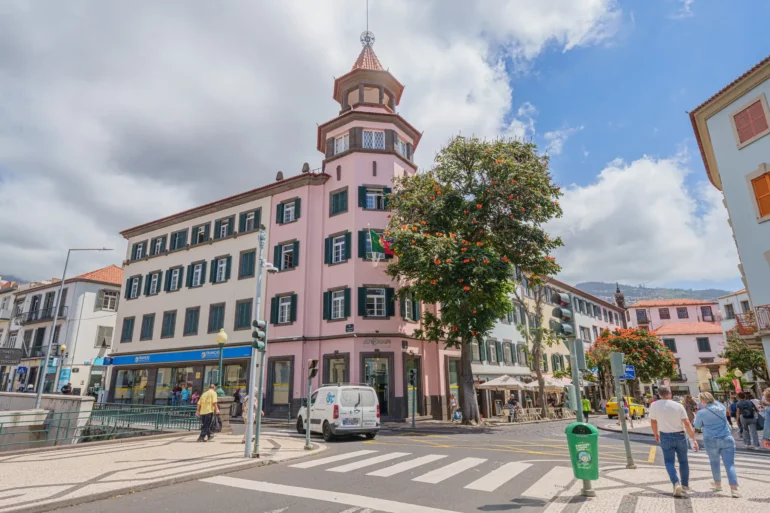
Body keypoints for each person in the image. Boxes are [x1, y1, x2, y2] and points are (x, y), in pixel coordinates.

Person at [650, 386, 699, 497]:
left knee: (668, 461)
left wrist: (655, 434)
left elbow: (653, 422)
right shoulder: (678, 406)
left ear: (659, 394)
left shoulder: (654, 405)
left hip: (665, 435)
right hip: (680, 435)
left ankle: (676, 483)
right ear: (670, 394)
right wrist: (693, 439)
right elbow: (687, 423)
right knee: (683, 461)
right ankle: (685, 485)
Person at [693, 392, 740, 498]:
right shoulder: (721, 408)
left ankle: (718, 485)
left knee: (714, 462)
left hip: (711, 439)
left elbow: (697, 426)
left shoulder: (701, 413)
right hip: (726, 437)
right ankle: (734, 489)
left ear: (703, 401)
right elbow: (718, 404)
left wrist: (696, 417)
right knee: (730, 464)